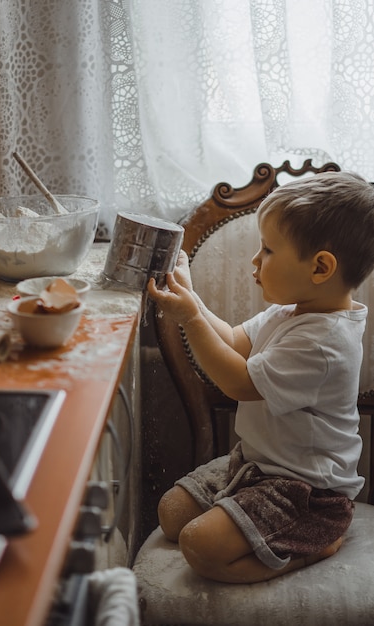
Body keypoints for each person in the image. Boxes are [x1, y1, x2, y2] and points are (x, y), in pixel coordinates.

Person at [147, 171, 374, 584]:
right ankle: (259, 522)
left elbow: (237, 383)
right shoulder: (293, 310)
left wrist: (191, 317)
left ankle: (315, 546)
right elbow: (235, 342)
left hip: (308, 493)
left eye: (268, 250)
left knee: (200, 546)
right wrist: (192, 297)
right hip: (258, 465)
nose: (256, 260)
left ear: (320, 267)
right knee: (171, 514)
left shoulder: (325, 343)